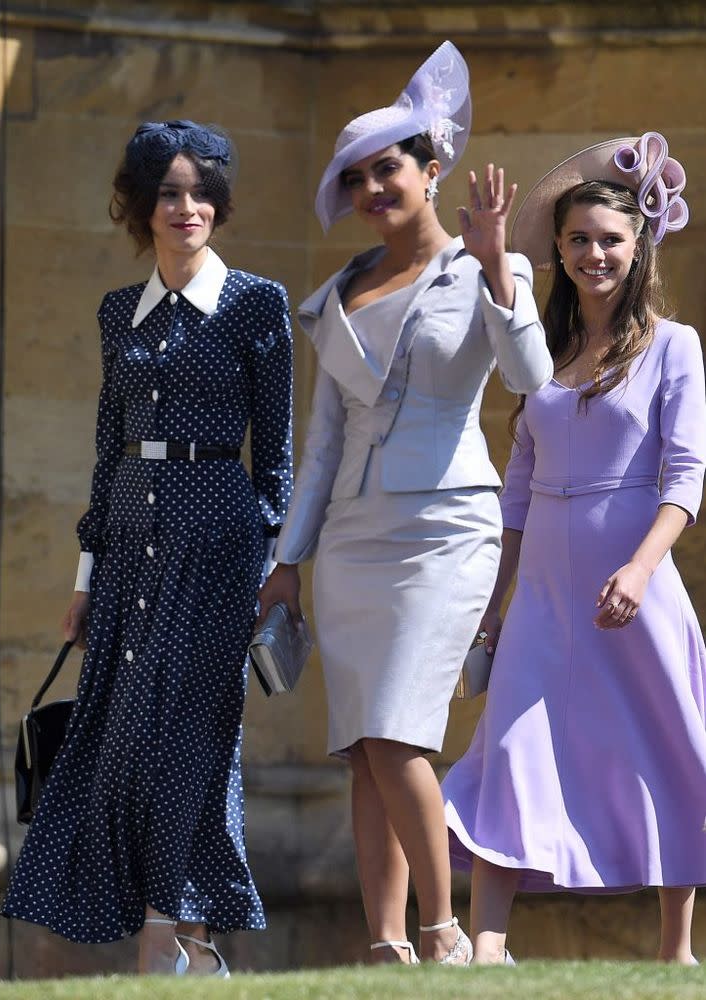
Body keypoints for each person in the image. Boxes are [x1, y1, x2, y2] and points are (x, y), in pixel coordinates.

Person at [258, 42, 552, 966]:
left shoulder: (487, 272)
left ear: (432, 170)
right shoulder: (336, 296)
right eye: (356, 178)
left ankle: (444, 930)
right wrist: (287, 560)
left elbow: (531, 383)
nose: (373, 187)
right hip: (349, 542)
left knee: (395, 734)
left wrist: (503, 267)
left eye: (389, 167)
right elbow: (323, 446)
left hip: (445, 532)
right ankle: (385, 945)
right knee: (361, 745)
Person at [1, 120, 293, 976]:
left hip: (216, 540)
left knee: (195, 733)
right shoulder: (114, 313)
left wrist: (273, 568)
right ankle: (174, 937)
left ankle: (177, 929)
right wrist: (86, 576)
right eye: (169, 191)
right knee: (119, 733)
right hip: (129, 540)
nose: (188, 206)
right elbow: (105, 450)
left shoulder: (256, 303)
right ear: (140, 205)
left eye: (202, 191)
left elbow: (272, 453)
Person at [441, 131, 706, 965]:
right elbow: (517, 488)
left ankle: (675, 950)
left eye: (611, 240)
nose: (595, 254)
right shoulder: (544, 356)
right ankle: (486, 951)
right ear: (557, 248)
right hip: (545, 596)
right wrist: (494, 603)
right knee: (508, 748)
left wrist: (640, 565)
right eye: (580, 239)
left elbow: (687, 475)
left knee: (668, 746)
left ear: (639, 249)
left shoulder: (676, 346)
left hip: (636, 589)